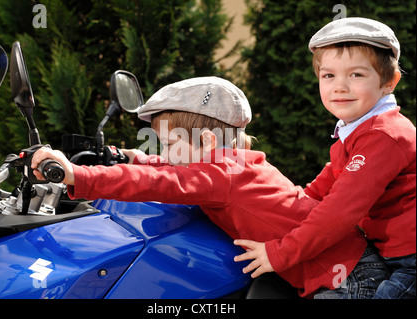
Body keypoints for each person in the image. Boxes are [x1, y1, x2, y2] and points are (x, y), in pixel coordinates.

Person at [31, 76, 382, 298]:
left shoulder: (221, 176)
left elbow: (165, 182)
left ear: (209, 140)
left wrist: (77, 175)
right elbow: (173, 169)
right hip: (343, 259)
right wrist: (133, 156)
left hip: (348, 276)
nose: (164, 152)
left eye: (169, 142)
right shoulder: (230, 164)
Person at [234, 17, 416, 299]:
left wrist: (280, 253)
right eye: (328, 76)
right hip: (389, 254)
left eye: (356, 75)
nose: (339, 86)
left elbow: (339, 212)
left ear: (389, 82)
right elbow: (315, 195)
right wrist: (274, 216)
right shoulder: (353, 134)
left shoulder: (384, 136)